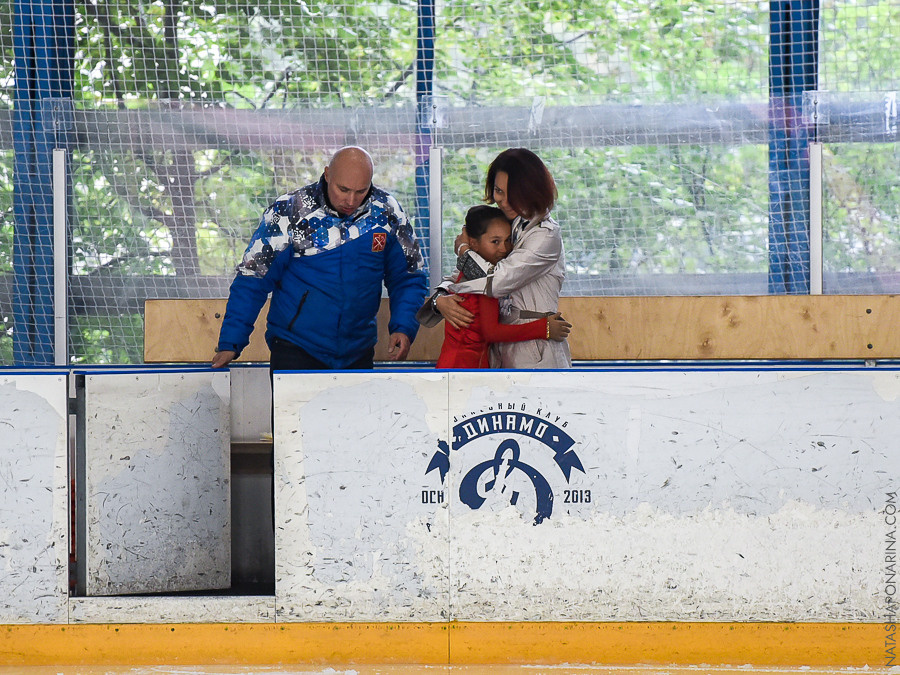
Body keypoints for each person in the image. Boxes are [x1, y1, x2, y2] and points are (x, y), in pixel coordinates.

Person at [212, 146, 428, 372]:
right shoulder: (289, 211)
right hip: (294, 348)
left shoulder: (387, 212)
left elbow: (409, 277)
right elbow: (253, 278)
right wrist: (230, 342)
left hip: (358, 351)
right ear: (327, 174)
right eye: (343, 189)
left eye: (361, 191)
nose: (351, 200)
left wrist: (404, 327)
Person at [422, 148, 571, 368]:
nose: (503, 201)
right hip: (497, 352)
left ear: (532, 191)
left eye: (514, 194)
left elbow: (496, 282)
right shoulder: (503, 223)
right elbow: (461, 276)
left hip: (536, 351)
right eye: (499, 191)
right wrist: (439, 301)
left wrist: (464, 250)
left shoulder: (545, 235)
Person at [429, 205, 571, 368]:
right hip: (466, 367)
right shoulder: (482, 282)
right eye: (495, 242)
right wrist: (544, 328)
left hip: (462, 364)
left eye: (508, 240)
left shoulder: (469, 272)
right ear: (474, 243)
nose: (504, 249)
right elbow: (492, 332)